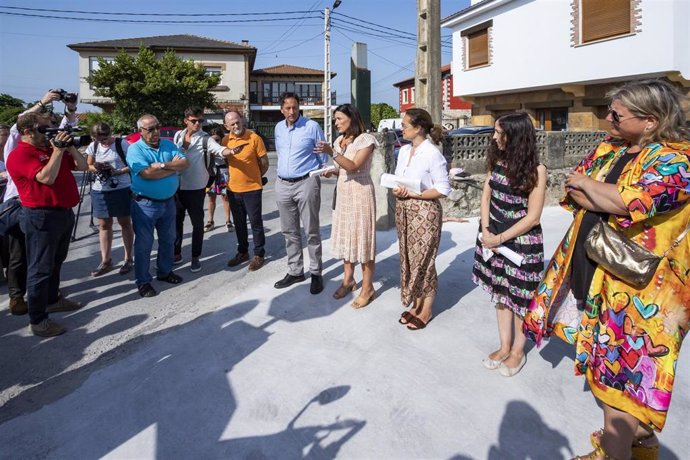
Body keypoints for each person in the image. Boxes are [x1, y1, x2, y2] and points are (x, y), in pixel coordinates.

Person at [522, 80, 690, 460]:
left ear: (650, 121)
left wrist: (597, 190)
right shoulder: (609, 148)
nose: (607, 118)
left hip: (638, 291)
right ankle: (641, 442)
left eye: (617, 114)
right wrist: (597, 191)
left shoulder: (676, 159)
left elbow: (634, 203)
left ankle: (614, 454)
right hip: (593, 275)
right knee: (607, 369)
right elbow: (573, 190)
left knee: (616, 380)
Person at [472, 112, 546, 377]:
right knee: (500, 293)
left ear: (515, 136)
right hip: (493, 235)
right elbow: (486, 195)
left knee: (519, 298)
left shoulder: (537, 170)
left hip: (521, 242)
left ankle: (517, 351)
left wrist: (499, 238)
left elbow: (533, 216)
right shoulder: (497, 161)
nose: (494, 137)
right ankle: (504, 345)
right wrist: (487, 229)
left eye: (499, 133)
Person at [6, 112, 88, 336]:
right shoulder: (19, 155)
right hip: (41, 216)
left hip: (63, 213)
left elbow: (82, 167)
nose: (50, 131)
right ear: (27, 132)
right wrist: (58, 151)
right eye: (44, 128)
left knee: (56, 262)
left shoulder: (50, 149)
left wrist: (69, 147)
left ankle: (53, 300)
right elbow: (46, 178)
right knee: (40, 269)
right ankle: (38, 319)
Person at [393, 108, 451, 330]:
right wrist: (397, 190)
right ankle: (416, 303)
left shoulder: (432, 153)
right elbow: (401, 179)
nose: (402, 128)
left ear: (418, 128)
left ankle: (426, 308)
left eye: (405, 125)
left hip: (424, 212)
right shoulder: (405, 150)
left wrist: (416, 195)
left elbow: (443, 188)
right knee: (408, 258)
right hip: (404, 210)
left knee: (424, 261)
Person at [314, 104, 377, 308]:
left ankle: (368, 288)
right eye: (335, 119)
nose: (336, 123)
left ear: (352, 118)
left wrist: (332, 152)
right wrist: (330, 171)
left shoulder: (366, 140)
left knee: (363, 239)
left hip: (361, 194)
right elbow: (342, 169)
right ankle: (348, 280)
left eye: (340, 118)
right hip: (343, 195)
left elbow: (354, 166)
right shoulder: (339, 141)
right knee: (346, 237)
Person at [127, 114, 188, 297]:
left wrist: (161, 165)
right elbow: (146, 174)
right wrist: (171, 170)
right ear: (140, 131)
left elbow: (184, 163)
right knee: (144, 245)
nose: (155, 132)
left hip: (168, 202)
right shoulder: (135, 150)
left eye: (157, 127)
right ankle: (143, 281)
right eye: (150, 129)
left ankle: (164, 271)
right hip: (145, 204)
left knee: (169, 239)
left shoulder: (168, 145)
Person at [273, 92, 327, 294]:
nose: (291, 111)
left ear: (299, 107)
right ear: (282, 109)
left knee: (311, 230)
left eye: (295, 107)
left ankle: (315, 272)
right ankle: (295, 271)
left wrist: (315, 175)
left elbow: (322, 156)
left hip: (306, 182)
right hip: (282, 184)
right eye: (287, 108)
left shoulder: (312, 126)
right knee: (289, 231)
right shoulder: (278, 127)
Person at [173, 107, 229, 272]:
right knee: (176, 222)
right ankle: (176, 253)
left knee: (197, 224)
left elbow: (219, 150)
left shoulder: (206, 139)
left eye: (200, 121)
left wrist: (231, 151)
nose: (198, 123)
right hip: (177, 186)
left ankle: (195, 257)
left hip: (196, 188)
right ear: (186, 121)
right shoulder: (178, 135)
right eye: (194, 121)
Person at [222, 110, 269, 271]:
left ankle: (259, 254)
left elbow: (264, 162)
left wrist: (255, 177)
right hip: (233, 190)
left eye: (238, 121)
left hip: (252, 189)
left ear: (242, 120)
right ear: (226, 126)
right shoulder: (225, 140)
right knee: (239, 223)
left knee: (255, 222)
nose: (236, 125)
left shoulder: (254, 138)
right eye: (232, 123)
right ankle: (242, 252)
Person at [86, 122, 134, 276]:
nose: (103, 142)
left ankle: (128, 259)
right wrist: (98, 167)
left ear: (110, 133)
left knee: (125, 223)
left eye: (106, 138)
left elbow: (133, 165)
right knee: (104, 224)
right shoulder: (93, 146)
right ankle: (106, 260)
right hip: (100, 190)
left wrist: (117, 171)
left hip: (121, 188)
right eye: (100, 139)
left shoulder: (122, 144)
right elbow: (88, 165)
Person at [204, 127, 233, 233]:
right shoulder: (207, 148)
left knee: (225, 198)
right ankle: (210, 221)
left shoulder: (225, 149)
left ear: (221, 139)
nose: (215, 142)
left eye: (217, 140)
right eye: (213, 140)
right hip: (211, 173)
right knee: (211, 198)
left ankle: (228, 220)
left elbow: (229, 162)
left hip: (223, 172)